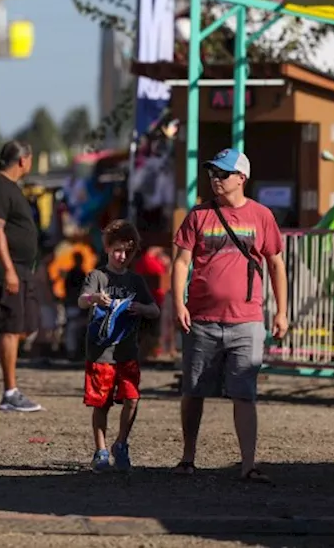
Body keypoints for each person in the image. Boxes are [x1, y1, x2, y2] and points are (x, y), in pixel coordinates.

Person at [171, 148, 288, 483]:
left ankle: (248, 464)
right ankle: (188, 457)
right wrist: (178, 303)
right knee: (193, 390)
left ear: (241, 178)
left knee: (244, 393)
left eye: (222, 174)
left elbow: (276, 264)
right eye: (212, 174)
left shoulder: (262, 216)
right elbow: (181, 262)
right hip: (201, 319)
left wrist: (282, 311)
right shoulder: (197, 216)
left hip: (247, 320)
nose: (215, 180)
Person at [78, 220, 158, 473]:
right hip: (101, 353)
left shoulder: (136, 281)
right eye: (117, 250)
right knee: (101, 403)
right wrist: (94, 298)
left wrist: (141, 309)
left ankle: (121, 443)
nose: (122, 256)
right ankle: (100, 449)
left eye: (127, 251)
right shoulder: (97, 276)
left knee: (132, 399)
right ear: (107, 249)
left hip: (128, 352)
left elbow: (155, 310)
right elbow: (81, 301)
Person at [0, 140, 44, 412]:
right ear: (23, 160)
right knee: (10, 328)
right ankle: (10, 391)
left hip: (21, 268)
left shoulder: (10, 187)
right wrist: (8, 270)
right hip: (7, 268)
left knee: (25, 326)